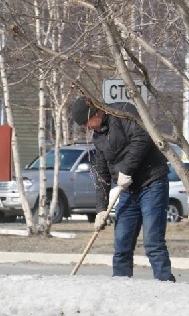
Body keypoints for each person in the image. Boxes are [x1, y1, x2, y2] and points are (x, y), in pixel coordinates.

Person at [70, 97, 175, 282]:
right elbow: (102, 172)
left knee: (153, 243)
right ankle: (120, 287)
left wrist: (126, 170)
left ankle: (165, 285)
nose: (88, 128)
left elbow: (142, 138)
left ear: (96, 113)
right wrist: (101, 209)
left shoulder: (123, 112)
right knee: (122, 246)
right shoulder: (99, 137)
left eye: (87, 123)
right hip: (127, 191)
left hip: (152, 183)